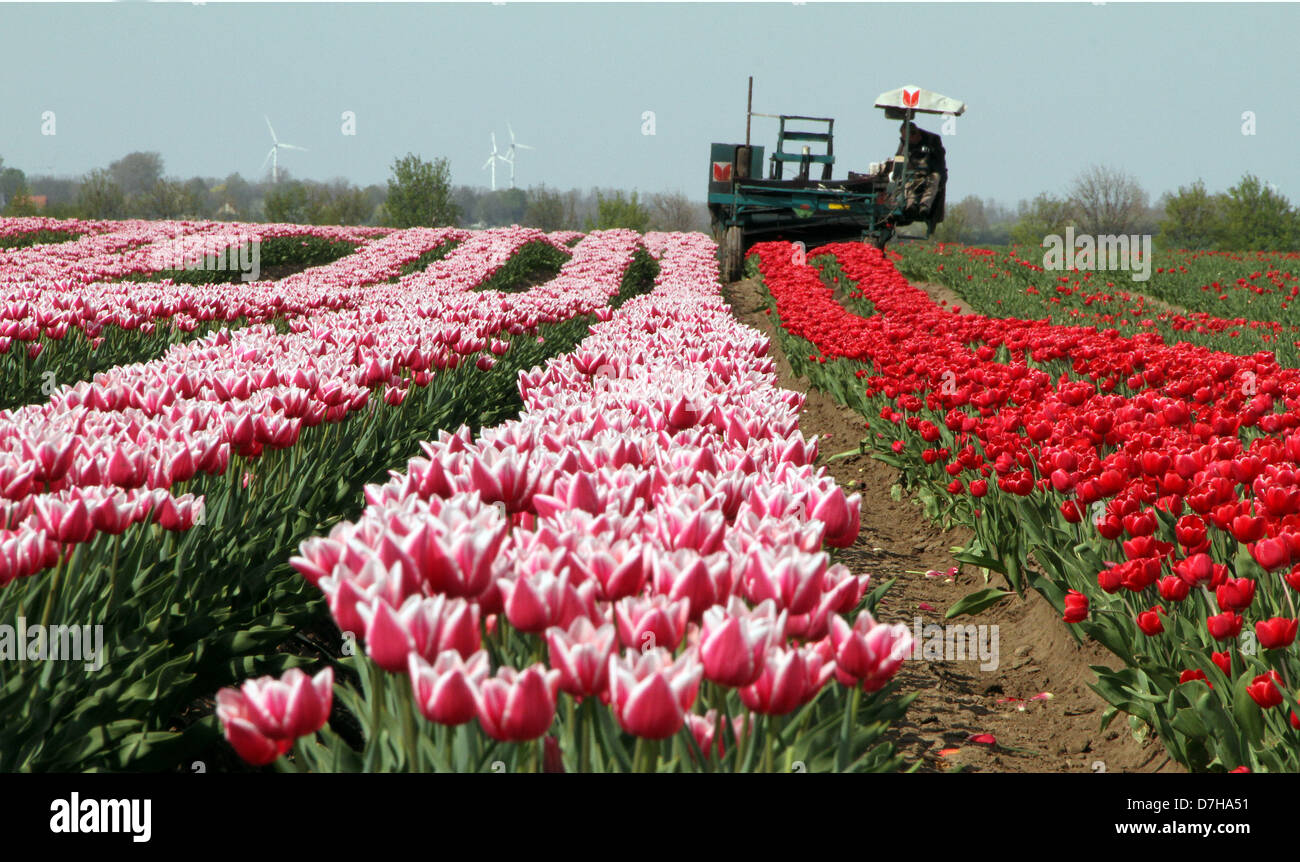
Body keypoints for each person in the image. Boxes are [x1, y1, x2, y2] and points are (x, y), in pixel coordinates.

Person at [895, 122, 946, 223]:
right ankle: (911, 205)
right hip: (913, 172)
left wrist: (927, 166)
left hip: (931, 171)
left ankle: (924, 206)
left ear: (916, 134)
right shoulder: (904, 142)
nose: (908, 142)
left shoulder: (933, 139)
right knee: (908, 181)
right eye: (905, 140)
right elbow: (898, 157)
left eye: (909, 140)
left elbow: (939, 161)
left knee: (934, 179)